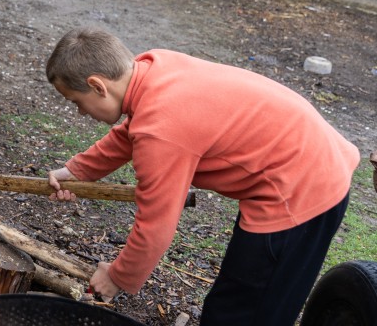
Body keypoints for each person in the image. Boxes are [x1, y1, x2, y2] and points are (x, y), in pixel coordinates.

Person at [44, 27, 359, 324]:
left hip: (301, 188)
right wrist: (78, 170)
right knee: (241, 298)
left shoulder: (162, 130)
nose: (80, 113)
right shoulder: (154, 68)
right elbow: (131, 132)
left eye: (77, 102)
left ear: (98, 85)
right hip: (306, 162)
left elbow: (156, 226)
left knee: (243, 312)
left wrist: (118, 276)